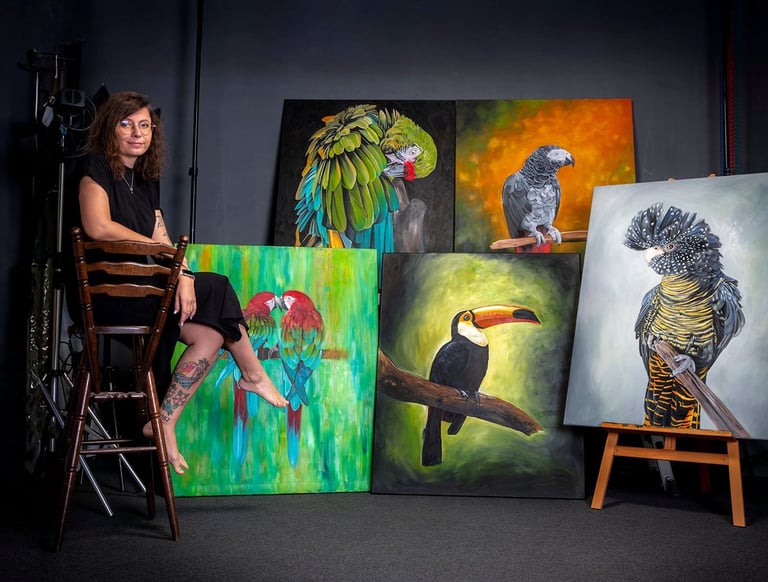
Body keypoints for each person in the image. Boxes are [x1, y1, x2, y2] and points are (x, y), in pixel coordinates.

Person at [78, 91, 288, 475]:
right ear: (110, 128)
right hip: (106, 298)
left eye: (145, 125)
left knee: (210, 334)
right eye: (126, 124)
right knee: (219, 286)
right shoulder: (96, 166)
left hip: (143, 293)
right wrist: (172, 265)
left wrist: (184, 274)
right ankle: (253, 374)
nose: (137, 133)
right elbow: (98, 226)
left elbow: (161, 238)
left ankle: (164, 420)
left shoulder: (145, 179)